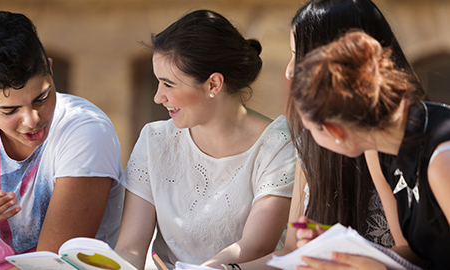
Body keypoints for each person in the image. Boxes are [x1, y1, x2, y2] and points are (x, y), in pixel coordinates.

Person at [235, 1, 424, 268]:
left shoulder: (401, 146)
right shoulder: (309, 141)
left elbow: (414, 253)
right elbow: (290, 249)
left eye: (298, 55)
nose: (290, 70)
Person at [0, 11, 124, 269]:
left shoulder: (84, 130)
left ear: (50, 67)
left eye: (42, 98)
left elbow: (51, 266)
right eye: (10, 110)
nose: (32, 119)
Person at [114, 9, 296, 270]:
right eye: (157, 83)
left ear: (213, 84)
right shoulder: (154, 140)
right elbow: (130, 248)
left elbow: (255, 246)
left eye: (168, 84)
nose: (158, 97)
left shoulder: (278, 145)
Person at [291, 30, 450, 269]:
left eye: (310, 130)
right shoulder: (379, 150)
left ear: (335, 131)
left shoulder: (441, 159)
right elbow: (413, 252)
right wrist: (340, 250)